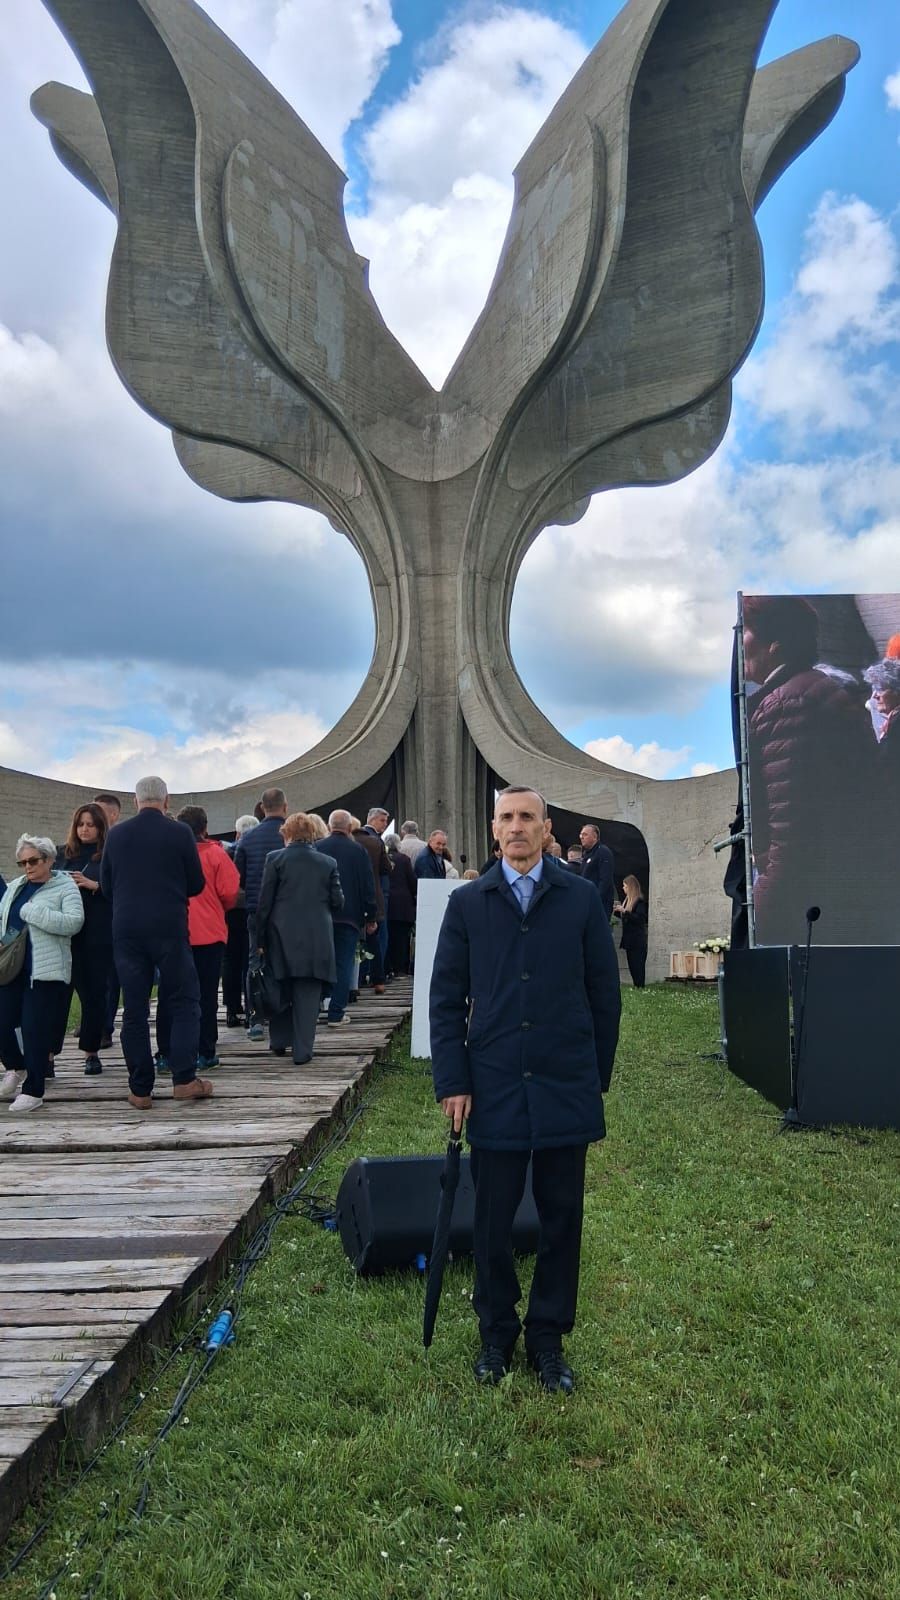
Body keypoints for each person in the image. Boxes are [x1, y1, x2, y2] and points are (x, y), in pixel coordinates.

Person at [430, 786, 621, 1394]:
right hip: (494, 1083)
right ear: (494, 829)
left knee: (561, 1217)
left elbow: (604, 994)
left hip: (565, 1079)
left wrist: (595, 1076)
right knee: (491, 1219)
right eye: (507, 818)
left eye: (527, 818)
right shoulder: (468, 903)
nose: (517, 827)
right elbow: (445, 999)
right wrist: (453, 1079)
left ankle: (547, 1338)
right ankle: (496, 1333)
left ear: (546, 828)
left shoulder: (580, 898)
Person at [742, 596, 882, 944]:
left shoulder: (788, 705)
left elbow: (793, 838)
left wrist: (758, 916)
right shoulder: (812, 692)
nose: (738, 641)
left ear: (775, 643)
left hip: (810, 907)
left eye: (744, 630)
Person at [100, 775, 210, 1109]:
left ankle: (140, 1089)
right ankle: (184, 1078)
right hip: (169, 926)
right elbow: (196, 883)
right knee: (183, 999)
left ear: (135, 801)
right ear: (166, 800)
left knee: (134, 1008)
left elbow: (106, 885)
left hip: (127, 929)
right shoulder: (180, 833)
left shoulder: (116, 834)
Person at [0, 835, 84, 1112]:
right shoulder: (16, 886)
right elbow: (5, 919)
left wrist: (34, 912)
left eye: (33, 861)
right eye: (22, 862)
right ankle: (16, 1066)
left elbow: (74, 923)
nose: (27, 866)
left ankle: (34, 1090)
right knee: (4, 1023)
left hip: (45, 972)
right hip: (12, 969)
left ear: (48, 860)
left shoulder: (65, 886)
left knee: (34, 1030)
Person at [256, 813, 344, 1063]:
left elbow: (264, 903)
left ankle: (279, 1040)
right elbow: (338, 901)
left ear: (287, 834)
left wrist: (259, 940)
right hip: (317, 936)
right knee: (308, 993)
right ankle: (303, 1051)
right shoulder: (328, 863)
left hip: (280, 935)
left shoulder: (275, 859)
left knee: (281, 987)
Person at [159, 806, 241, 1070]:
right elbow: (230, 892)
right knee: (206, 994)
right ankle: (205, 1050)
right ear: (205, 828)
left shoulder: (167, 854)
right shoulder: (216, 854)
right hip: (209, 932)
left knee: (170, 993)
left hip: (173, 931)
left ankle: (166, 1053)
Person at [57, 803, 113, 1075]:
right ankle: (48, 1055)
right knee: (57, 996)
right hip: (64, 936)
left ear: (101, 827)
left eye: (90, 824)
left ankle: (91, 1051)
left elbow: (122, 891)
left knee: (94, 996)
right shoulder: (63, 855)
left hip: (96, 935)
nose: (85, 829)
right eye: (80, 824)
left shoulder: (109, 856)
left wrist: (95, 886)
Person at [235, 787, 288, 1039]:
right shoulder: (291, 835)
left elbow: (239, 878)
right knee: (286, 961)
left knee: (255, 962)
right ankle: (284, 1015)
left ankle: (255, 1019)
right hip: (286, 909)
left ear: (262, 808)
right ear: (285, 807)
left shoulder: (247, 839)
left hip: (256, 909)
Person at [315, 811, 377, 1025]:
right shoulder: (358, 851)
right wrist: (371, 916)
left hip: (321, 915)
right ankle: (336, 1012)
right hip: (350, 916)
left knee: (319, 962)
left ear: (329, 826)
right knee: (344, 963)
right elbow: (368, 885)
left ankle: (314, 1008)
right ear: (349, 828)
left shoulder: (317, 847)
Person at [221, 814, 257, 1028]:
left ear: (237, 833)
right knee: (249, 961)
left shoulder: (227, 851)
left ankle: (231, 1009)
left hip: (231, 909)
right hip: (251, 908)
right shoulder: (257, 849)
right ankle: (252, 1007)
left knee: (230, 961)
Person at [94, 792, 122, 1047]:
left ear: (113, 814)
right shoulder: (89, 844)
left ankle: (105, 1027)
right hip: (90, 922)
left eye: (99, 811)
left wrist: (97, 886)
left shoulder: (119, 841)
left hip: (115, 919)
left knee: (112, 978)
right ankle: (93, 1022)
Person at [353, 814, 391, 992]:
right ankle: (378, 979)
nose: (385, 824)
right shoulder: (376, 843)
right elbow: (386, 869)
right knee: (376, 939)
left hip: (349, 899)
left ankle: (356, 980)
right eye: (382, 820)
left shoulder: (348, 842)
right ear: (371, 819)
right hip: (375, 896)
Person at [384, 832, 417, 976]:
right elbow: (412, 882)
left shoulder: (383, 858)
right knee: (402, 939)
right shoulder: (404, 859)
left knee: (387, 937)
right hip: (403, 906)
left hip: (387, 903)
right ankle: (400, 969)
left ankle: (387, 967)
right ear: (399, 844)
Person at [613, 874, 648, 988]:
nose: (623, 888)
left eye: (625, 886)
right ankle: (636, 985)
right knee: (632, 965)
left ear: (630, 887)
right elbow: (626, 917)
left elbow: (639, 919)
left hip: (637, 940)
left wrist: (624, 911)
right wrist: (618, 910)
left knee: (638, 965)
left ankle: (640, 986)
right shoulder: (627, 901)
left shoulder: (639, 901)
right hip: (629, 940)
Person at [579, 824, 615, 920]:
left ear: (595, 837)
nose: (581, 837)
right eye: (581, 834)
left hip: (599, 903)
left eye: (585, 834)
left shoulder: (603, 852)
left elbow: (605, 880)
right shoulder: (586, 854)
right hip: (587, 901)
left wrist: (596, 899)